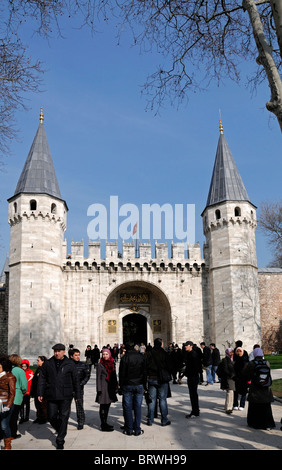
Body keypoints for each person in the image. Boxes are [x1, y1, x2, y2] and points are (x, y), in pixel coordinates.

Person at [37, 343, 81, 449]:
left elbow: (76, 380)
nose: (56, 353)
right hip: (52, 394)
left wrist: (77, 395)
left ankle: (60, 439)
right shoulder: (48, 363)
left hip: (66, 395)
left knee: (64, 416)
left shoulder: (70, 363)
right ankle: (60, 428)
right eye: (55, 351)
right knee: (51, 416)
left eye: (58, 351)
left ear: (63, 352)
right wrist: (40, 392)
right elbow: (42, 379)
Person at [242, 347, 275, 430]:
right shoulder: (267, 362)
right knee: (266, 407)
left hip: (255, 388)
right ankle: (268, 424)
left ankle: (255, 423)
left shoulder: (252, 363)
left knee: (255, 406)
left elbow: (245, 374)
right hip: (266, 388)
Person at [119, 341, 147, 436]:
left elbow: (122, 374)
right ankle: (137, 429)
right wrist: (145, 385)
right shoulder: (141, 357)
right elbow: (144, 372)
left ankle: (129, 429)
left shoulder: (125, 358)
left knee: (127, 407)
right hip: (139, 384)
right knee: (138, 407)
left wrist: (121, 386)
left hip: (127, 385)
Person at [145, 338, 173, 427]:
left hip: (152, 378)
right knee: (162, 399)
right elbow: (169, 366)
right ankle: (164, 420)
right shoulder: (164, 353)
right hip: (162, 379)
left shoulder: (149, 353)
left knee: (151, 400)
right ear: (161, 344)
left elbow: (145, 366)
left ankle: (150, 420)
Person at [96, 348, 118, 432]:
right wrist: (99, 389)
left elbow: (114, 375)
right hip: (103, 388)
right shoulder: (100, 364)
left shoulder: (112, 363)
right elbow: (98, 378)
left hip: (110, 387)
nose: (105, 356)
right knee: (103, 406)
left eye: (106, 354)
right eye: (103, 354)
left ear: (109, 354)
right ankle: (103, 424)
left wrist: (116, 385)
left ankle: (105, 422)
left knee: (108, 405)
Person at [69, 348, 90, 429]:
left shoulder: (83, 365)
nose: (78, 357)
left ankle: (81, 422)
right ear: (71, 356)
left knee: (79, 405)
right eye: (76, 355)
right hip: (69, 388)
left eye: (78, 355)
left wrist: (81, 384)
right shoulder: (68, 365)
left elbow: (87, 376)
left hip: (79, 389)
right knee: (66, 407)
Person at [9, 354, 28, 440]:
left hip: (7, 395)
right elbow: (24, 385)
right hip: (16, 395)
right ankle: (13, 433)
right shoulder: (20, 371)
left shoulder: (8, 369)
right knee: (14, 415)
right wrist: (23, 391)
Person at [0, 356, 16, 450]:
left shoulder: (10, 377)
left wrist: (8, 406)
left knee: (4, 425)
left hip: (5, 403)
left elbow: (12, 393)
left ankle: (8, 444)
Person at [183, 341, 202, 418]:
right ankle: (195, 410)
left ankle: (195, 411)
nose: (185, 347)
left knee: (193, 395)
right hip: (192, 376)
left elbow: (194, 367)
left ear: (190, 346)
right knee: (193, 395)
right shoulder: (190, 354)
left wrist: (187, 374)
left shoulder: (193, 355)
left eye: (186, 345)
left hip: (193, 377)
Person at [217, 348, 236, 414]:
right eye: (231, 352)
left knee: (231, 393)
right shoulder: (225, 360)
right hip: (228, 378)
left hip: (232, 378)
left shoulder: (232, 359)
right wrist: (231, 375)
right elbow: (225, 370)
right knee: (229, 392)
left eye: (232, 352)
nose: (232, 353)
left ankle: (229, 406)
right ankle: (228, 408)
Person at [30, 356, 48, 424]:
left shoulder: (45, 369)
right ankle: (39, 417)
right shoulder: (38, 368)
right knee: (37, 405)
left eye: (38, 360)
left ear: (43, 361)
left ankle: (44, 418)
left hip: (42, 391)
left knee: (42, 405)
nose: (37, 361)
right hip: (36, 390)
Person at [19, 359, 34, 423]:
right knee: (21, 404)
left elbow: (31, 382)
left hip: (28, 391)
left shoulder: (31, 372)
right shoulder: (20, 372)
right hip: (21, 391)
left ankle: (27, 416)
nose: (24, 368)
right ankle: (22, 417)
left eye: (25, 366)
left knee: (27, 404)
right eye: (23, 366)